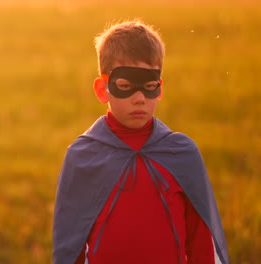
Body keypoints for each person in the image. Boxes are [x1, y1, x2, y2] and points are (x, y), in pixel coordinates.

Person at [52, 19, 229, 264]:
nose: (139, 98)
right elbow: (68, 246)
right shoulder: (83, 157)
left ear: (160, 88)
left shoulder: (181, 154)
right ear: (103, 89)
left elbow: (200, 241)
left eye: (149, 87)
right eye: (125, 86)